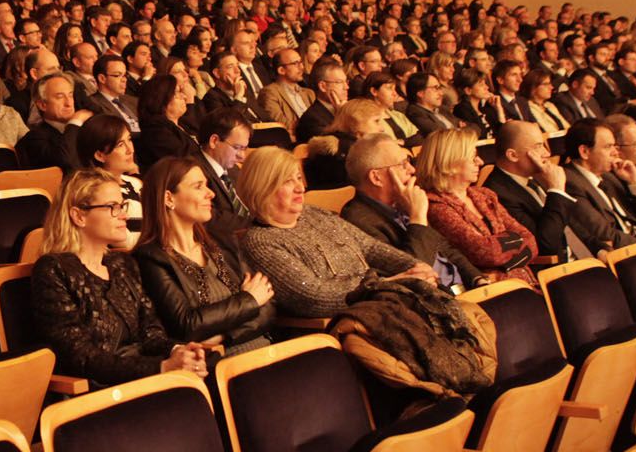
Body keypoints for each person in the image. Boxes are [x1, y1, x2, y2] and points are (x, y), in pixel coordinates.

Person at [31, 169, 208, 385]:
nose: (123, 214)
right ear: (78, 216)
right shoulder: (53, 269)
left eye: (122, 205)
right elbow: (80, 357)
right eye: (112, 207)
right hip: (98, 391)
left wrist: (178, 351)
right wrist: (161, 367)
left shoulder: (122, 263)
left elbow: (151, 332)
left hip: (143, 379)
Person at [237, 146, 433, 317]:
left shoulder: (313, 213)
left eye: (299, 178)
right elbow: (314, 297)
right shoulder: (260, 241)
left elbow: (370, 247)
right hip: (352, 321)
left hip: (380, 303)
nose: (300, 188)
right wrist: (388, 284)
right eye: (288, 181)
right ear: (263, 188)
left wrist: (416, 266)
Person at [134, 156, 275, 352]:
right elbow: (187, 325)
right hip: (218, 365)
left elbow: (266, 306)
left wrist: (225, 336)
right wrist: (249, 300)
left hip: (263, 349)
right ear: (168, 198)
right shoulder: (151, 257)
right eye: (198, 186)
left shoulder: (223, 242)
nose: (211, 194)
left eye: (207, 185)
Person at [344, 133, 479, 292]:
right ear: (376, 178)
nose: (412, 169)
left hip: (465, 290)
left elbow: (445, 248)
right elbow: (413, 275)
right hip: (435, 301)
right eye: (403, 164)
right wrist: (418, 218)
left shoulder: (402, 201)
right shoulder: (358, 221)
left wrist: (477, 279)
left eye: (408, 161)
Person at [417, 127, 540, 285]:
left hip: (523, 283)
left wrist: (504, 264)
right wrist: (515, 246)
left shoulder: (485, 195)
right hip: (489, 292)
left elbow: (530, 241)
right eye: (473, 157)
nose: (480, 162)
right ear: (450, 163)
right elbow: (486, 252)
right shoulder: (435, 205)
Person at [482, 121, 585, 261]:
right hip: (555, 269)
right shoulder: (497, 194)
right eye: (538, 146)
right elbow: (545, 246)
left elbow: (571, 225)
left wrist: (599, 249)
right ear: (513, 155)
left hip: (582, 258)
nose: (547, 153)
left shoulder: (536, 176)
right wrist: (556, 190)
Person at [561, 118, 636, 250]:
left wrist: (635, 183)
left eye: (614, 146)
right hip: (624, 253)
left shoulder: (610, 175)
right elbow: (605, 235)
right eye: (608, 147)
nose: (615, 152)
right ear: (585, 151)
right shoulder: (570, 183)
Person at [75, 114, 144, 246]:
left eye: (129, 140)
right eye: (120, 145)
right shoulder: (95, 192)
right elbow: (126, 244)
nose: (130, 150)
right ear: (100, 155)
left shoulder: (135, 183)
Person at [17, 72, 85, 170]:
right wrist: (74, 122)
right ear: (42, 105)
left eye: (70, 95)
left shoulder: (85, 128)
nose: (69, 103)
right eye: (60, 97)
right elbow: (67, 162)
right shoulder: (35, 138)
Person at [135, 72, 198, 172]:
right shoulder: (155, 131)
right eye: (177, 93)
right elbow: (184, 160)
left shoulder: (180, 125)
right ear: (161, 100)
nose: (184, 97)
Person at [256, 46, 315, 137]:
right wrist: (312, 125)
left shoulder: (309, 93)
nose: (301, 67)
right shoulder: (270, 92)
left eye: (301, 62)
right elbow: (280, 125)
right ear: (281, 70)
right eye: (295, 63)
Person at [404, 71, 459, 138]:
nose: (441, 93)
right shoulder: (415, 113)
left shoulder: (442, 109)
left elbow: (463, 123)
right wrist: (460, 131)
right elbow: (440, 134)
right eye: (435, 88)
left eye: (439, 88)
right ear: (420, 93)